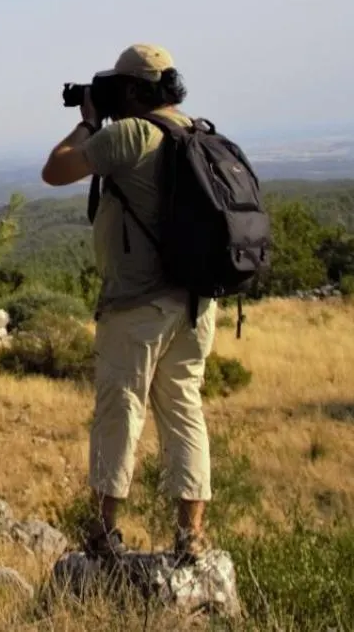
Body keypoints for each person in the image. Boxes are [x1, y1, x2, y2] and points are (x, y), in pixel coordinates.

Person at [40, 43, 215, 564]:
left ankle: (102, 533)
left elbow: (55, 170)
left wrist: (89, 121)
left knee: (120, 412)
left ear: (136, 90)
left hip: (138, 306)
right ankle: (191, 536)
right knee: (184, 411)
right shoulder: (194, 131)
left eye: (121, 86)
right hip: (195, 304)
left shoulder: (133, 133)